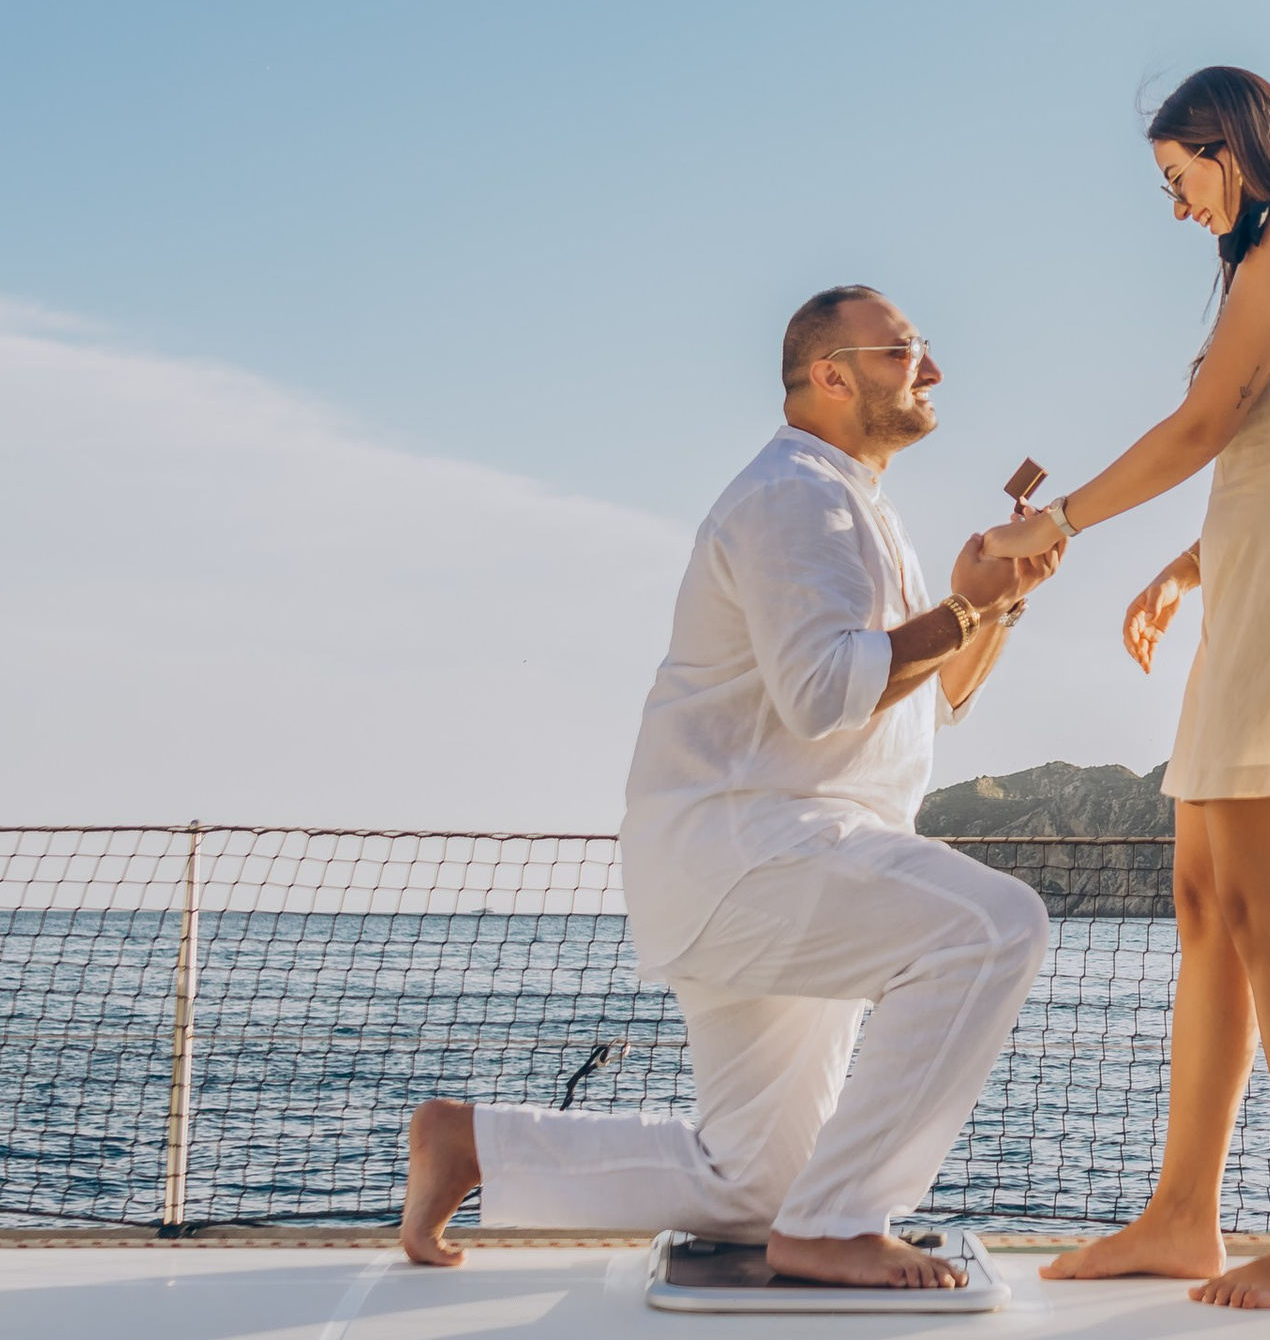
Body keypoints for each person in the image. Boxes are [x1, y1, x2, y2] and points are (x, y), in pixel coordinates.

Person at [399, 285, 1059, 1288]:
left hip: (772, 860)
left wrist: (994, 609)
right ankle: (840, 1224)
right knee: (991, 926)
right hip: (758, 854)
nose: (930, 370)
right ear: (830, 376)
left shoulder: (849, 502)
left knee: (754, 1185)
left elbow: (921, 701)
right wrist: (960, 611)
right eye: (902, 352)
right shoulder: (797, 495)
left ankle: (476, 1144)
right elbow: (823, 690)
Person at [979, 67, 1270, 1309]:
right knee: (1205, 904)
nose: (1173, 202)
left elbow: (1207, 424)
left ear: (1226, 148)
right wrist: (1187, 566)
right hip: (1255, 597)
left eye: (1175, 176)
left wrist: (1064, 524)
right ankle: (1183, 1215)